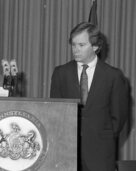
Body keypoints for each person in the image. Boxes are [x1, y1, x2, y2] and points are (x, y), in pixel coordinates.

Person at [50, 22, 129, 171]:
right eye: (73, 45)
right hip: (66, 152)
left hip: (101, 153)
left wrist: (103, 134)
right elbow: (55, 113)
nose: (75, 50)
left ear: (95, 47)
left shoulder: (113, 76)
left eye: (81, 45)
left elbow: (119, 117)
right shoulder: (61, 73)